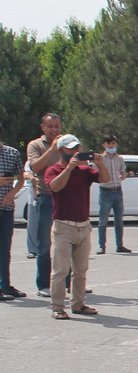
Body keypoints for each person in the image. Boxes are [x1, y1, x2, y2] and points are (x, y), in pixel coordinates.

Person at [44, 135, 111, 319]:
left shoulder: (85, 170)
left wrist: (100, 163)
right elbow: (55, 187)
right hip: (63, 226)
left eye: (77, 148)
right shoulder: (53, 170)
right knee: (61, 270)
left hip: (83, 225)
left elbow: (105, 179)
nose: (75, 152)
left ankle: (78, 304)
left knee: (80, 270)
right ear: (61, 151)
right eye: (71, 149)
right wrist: (69, 167)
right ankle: (58, 306)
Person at [26, 113, 63, 296]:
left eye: (57, 126)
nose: (54, 130)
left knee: (66, 242)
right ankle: (43, 285)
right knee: (44, 244)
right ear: (43, 127)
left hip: (65, 197)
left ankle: (69, 282)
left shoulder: (66, 143)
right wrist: (52, 149)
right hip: (46, 197)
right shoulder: (35, 145)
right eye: (50, 126)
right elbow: (35, 167)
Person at [0, 122, 28, 301]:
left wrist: (12, 193)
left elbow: (21, 178)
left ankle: (5, 285)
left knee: (5, 249)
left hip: (6, 208)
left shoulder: (12, 153)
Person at [96, 135, 130, 254]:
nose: (111, 146)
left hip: (117, 191)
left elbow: (123, 173)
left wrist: (120, 177)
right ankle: (101, 246)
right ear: (104, 145)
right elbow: (95, 173)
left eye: (113, 143)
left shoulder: (119, 158)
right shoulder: (100, 158)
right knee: (103, 221)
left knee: (119, 220)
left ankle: (120, 245)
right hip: (105, 191)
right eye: (108, 143)